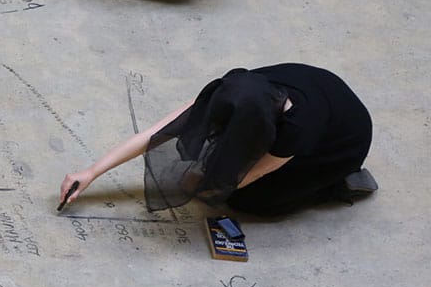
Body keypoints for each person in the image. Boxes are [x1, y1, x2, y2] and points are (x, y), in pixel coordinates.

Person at [59, 64, 377, 217]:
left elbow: (248, 178)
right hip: (322, 101)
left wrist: (204, 183)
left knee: (251, 202)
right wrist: (90, 173)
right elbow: (155, 134)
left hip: (341, 142)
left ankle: (339, 183)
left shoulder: (296, 131)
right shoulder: (241, 88)